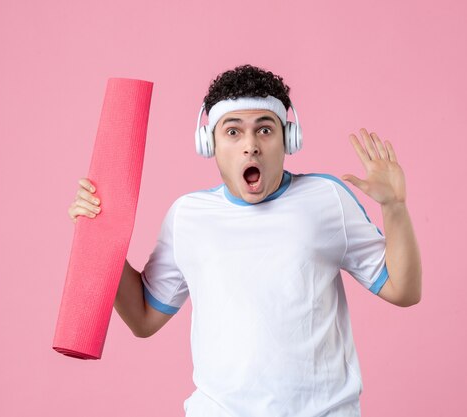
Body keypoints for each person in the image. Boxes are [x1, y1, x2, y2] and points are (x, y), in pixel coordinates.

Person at [67, 65, 422, 417]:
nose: (250, 146)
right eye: (233, 132)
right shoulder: (188, 216)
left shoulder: (327, 199)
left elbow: (403, 291)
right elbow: (143, 318)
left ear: (289, 139)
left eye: (265, 130)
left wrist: (395, 207)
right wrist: (100, 234)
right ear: (210, 144)